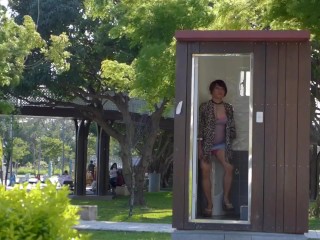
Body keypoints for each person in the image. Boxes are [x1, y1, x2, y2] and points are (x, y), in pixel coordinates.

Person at [198, 79, 236, 217]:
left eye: (222, 89)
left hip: (221, 144)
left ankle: (226, 198)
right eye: (217, 88)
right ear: (211, 90)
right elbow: (200, 128)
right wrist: (200, 147)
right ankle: (209, 203)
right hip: (207, 144)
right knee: (205, 171)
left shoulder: (228, 107)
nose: (220, 91)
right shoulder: (204, 107)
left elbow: (231, 127)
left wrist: (231, 140)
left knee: (229, 167)